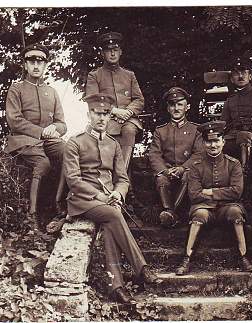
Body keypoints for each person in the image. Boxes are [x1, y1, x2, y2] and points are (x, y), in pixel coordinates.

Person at [63, 93, 161, 304]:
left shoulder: (113, 144)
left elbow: (122, 179)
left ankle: (116, 286)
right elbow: (73, 180)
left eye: (106, 114)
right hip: (82, 200)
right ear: (88, 114)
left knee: (109, 225)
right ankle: (141, 267)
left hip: (108, 202)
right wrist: (98, 195)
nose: (101, 118)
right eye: (97, 113)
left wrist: (118, 193)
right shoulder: (75, 142)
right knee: (113, 214)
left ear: (110, 116)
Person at [175, 121, 252, 275]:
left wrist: (210, 192)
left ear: (223, 142)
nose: (213, 145)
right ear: (203, 143)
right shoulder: (196, 165)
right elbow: (194, 195)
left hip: (227, 208)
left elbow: (237, 192)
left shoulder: (233, 164)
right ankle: (186, 259)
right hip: (204, 209)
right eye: (208, 141)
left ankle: (245, 257)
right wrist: (221, 194)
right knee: (199, 215)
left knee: (235, 212)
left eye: (216, 141)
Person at [4, 43, 67, 230]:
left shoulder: (52, 92)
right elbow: (14, 121)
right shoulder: (16, 89)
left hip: (48, 140)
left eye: (41, 62)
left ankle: (59, 204)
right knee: (43, 163)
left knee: (68, 152)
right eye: (32, 62)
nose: (36, 66)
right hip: (24, 140)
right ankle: (32, 216)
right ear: (25, 65)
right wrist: (40, 132)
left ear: (46, 65)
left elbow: (62, 124)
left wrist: (55, 128)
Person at [84, 31, 145, 171]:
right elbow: (92, 100)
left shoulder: (129, 75)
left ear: (120, 52)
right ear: (102, 54)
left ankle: (121, 176)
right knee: (104, 139)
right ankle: (117, 180)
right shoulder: (95, 75)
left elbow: (139, 99)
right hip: (105, 119)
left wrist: (128, 112)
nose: (112, 54)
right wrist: (115, 111)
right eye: (108, 51)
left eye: (115, 50)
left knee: (129, 130)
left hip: (128, 120)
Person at [149, 87, 204, 227]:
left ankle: (170, 213)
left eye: (180, 104)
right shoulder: (160, 131)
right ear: (168, 108)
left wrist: (183, 168)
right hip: (167, 171)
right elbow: (154, 154)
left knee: (188, 175)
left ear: (187, 107)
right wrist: (165, 171)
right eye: (172, 105)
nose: (176, 108)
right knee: (161, 179)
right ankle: (170, 211)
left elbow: (199, 153)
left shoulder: (196, 130)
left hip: (187, 171)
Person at [221, 59, 252, 173]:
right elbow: (223, 122)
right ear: (232, 79)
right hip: (234, 134)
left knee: (244, 135)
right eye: (236, 74)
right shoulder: (230, 100)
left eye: (244, 73)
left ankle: (244, 171)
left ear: (250, 77)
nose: (240, 76)